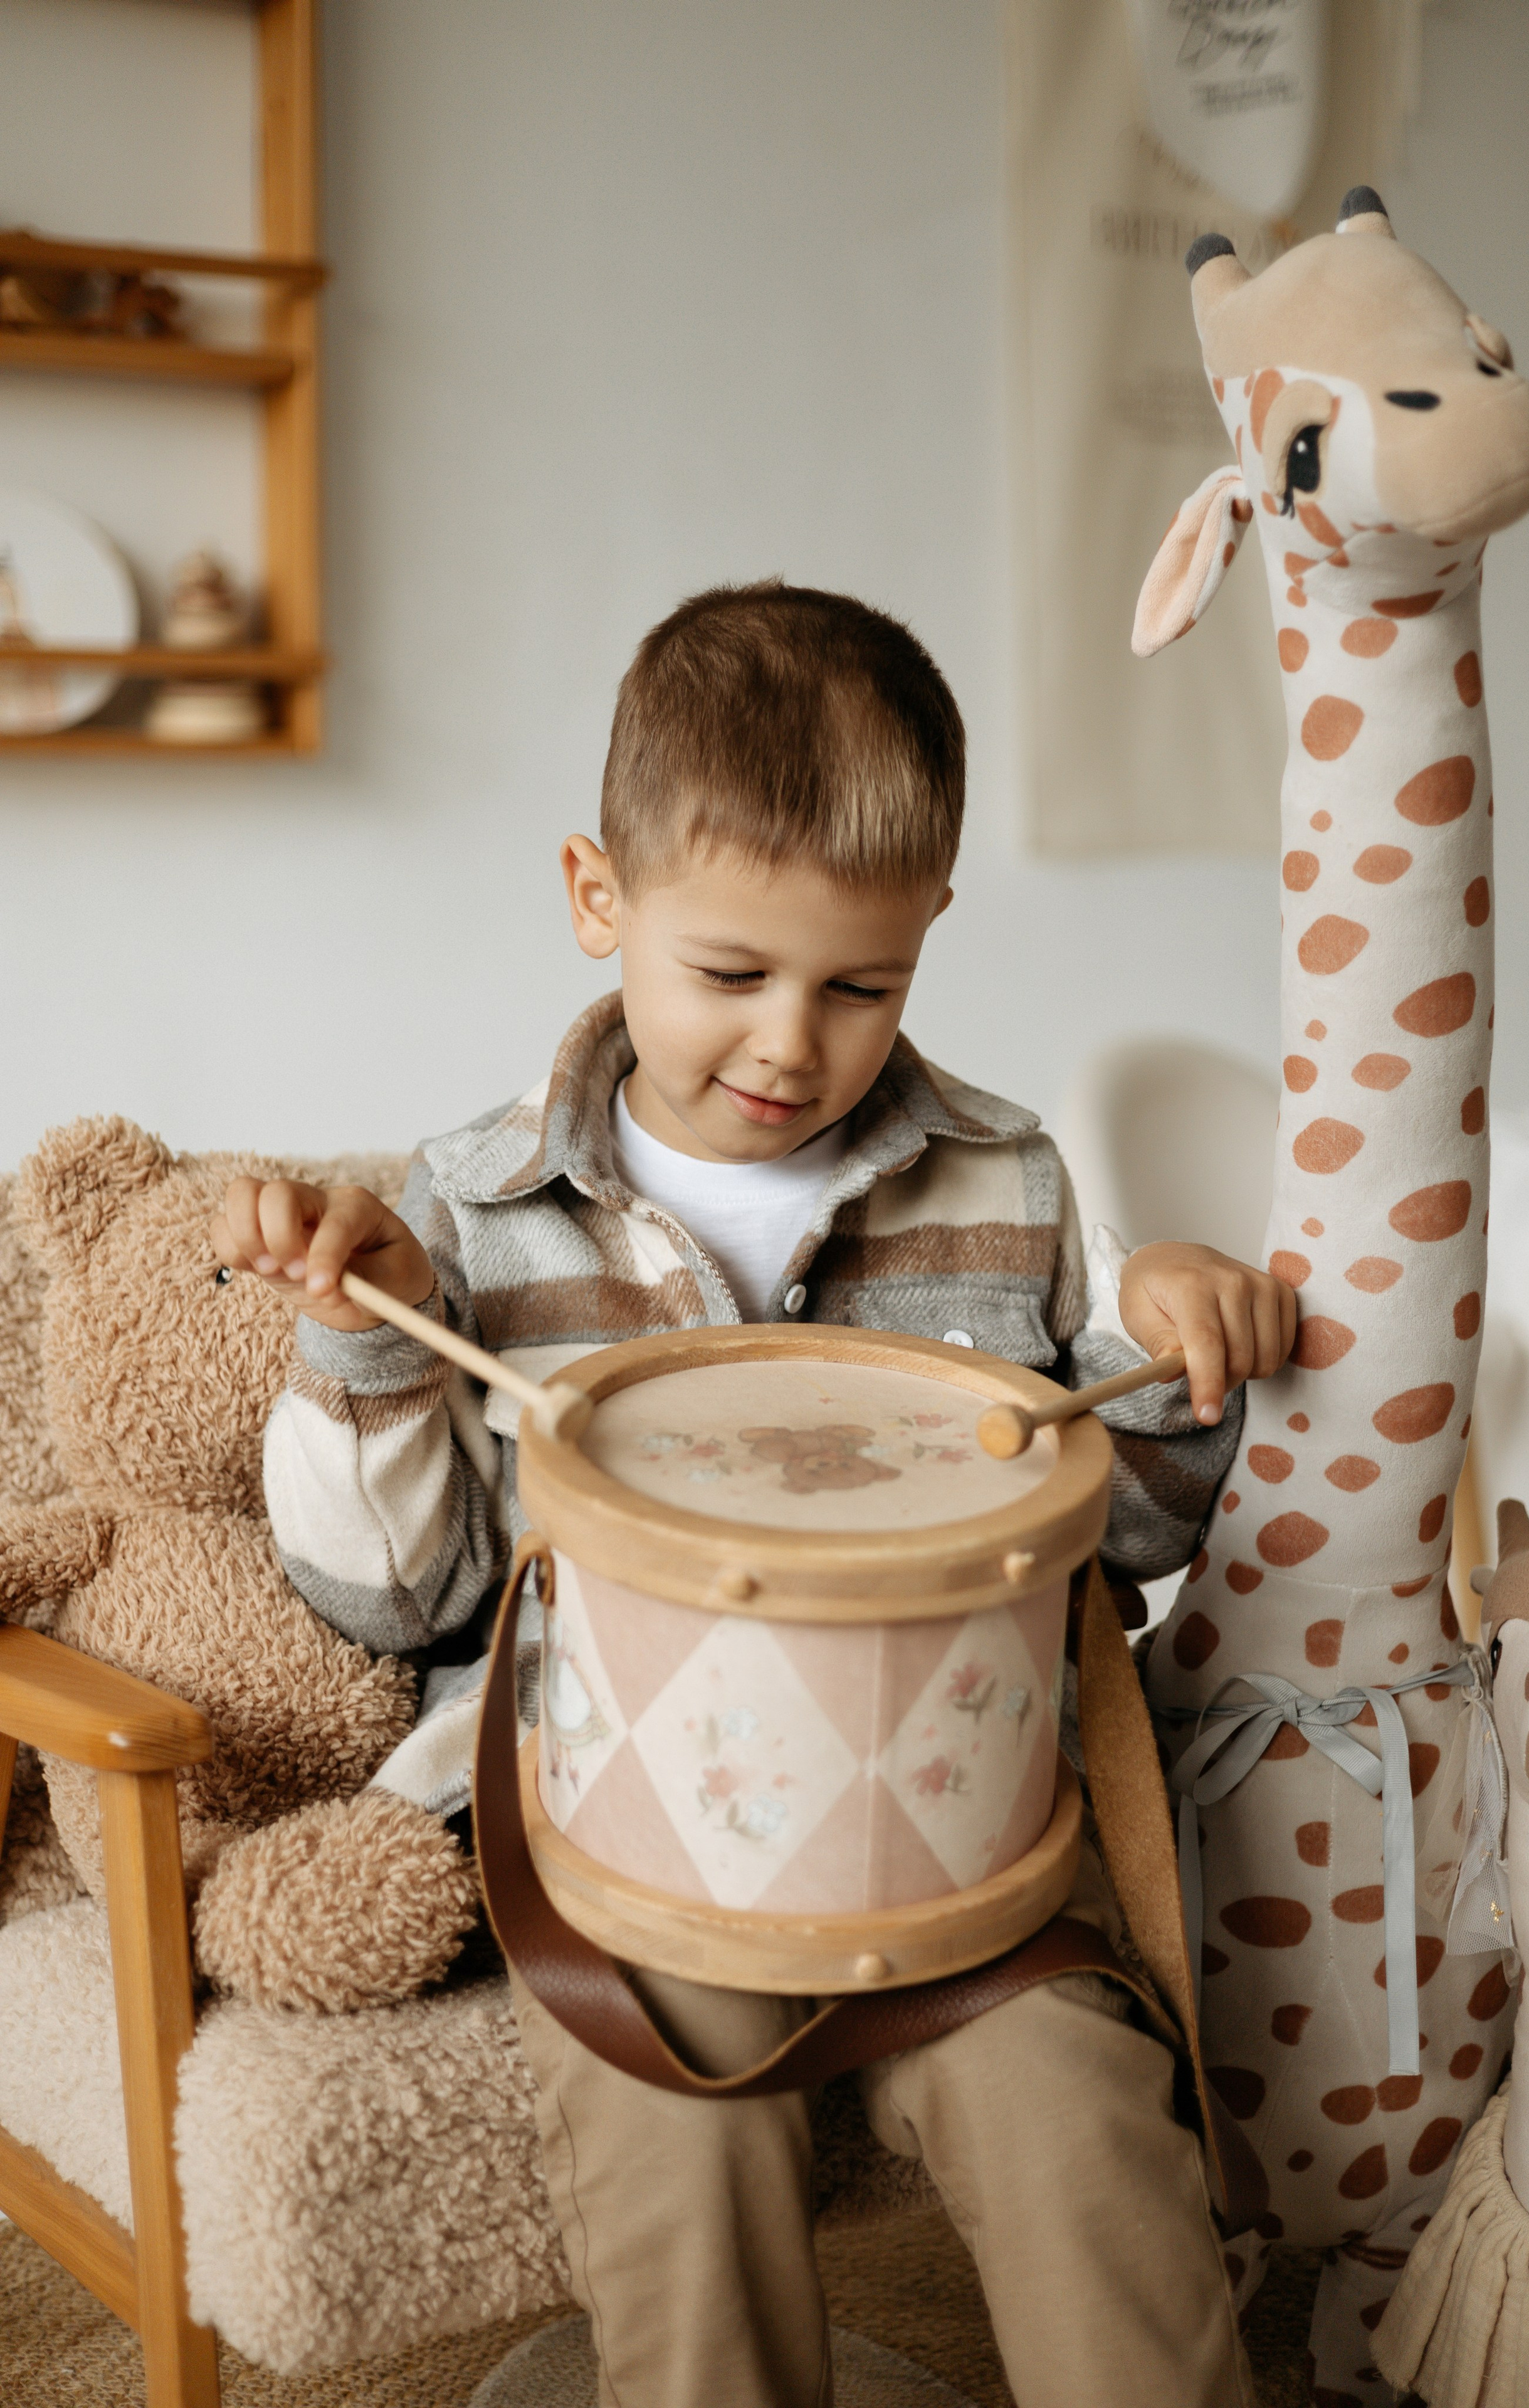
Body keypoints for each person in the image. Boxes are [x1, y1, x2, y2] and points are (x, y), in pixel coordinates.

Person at [214, 583, 1293, 2408]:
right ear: (599, 899)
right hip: (633, 1851)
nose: (794, 1044)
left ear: (929, 929)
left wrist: (1173, 1344)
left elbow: (1118, 1539)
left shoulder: (1009, 1185)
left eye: (861, 986)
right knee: (675, 2138)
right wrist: (366, 1339)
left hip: (957, 1841)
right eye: (732, 976)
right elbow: (394, 1601)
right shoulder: (466, 1209)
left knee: (1085, 2123)